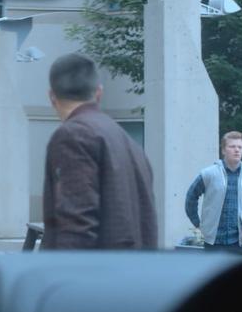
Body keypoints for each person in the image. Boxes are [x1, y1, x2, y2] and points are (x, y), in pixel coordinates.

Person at [41, 53, 158, 249]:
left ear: (52, 96)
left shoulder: (73, 136)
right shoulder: (129, 142)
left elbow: (76, 227)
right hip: (136, 273)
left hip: (92, 276)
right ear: (98, 93)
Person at [185, 131, 242, 250]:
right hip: (214, 242)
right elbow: (191, 197)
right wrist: (197, 223)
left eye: (240, 147)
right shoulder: (208, 174)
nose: (237, 150)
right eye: (232, 146)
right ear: (223, 150)